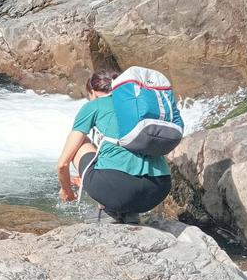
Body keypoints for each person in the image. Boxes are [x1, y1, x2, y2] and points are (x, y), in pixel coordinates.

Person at [56, 69, 174, 223]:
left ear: (93, 92)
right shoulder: (140, 103)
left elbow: (62, 164)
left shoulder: (96, 105)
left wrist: (67, 191)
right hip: (157, 190)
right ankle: (129, 213)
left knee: (81, 143)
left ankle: (108, 209)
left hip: (117, 190)